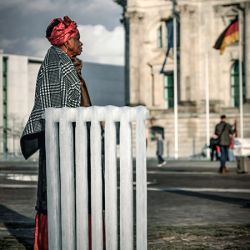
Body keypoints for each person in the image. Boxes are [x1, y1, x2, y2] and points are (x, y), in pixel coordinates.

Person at [20, 16, 88, 249]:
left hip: (67, 139)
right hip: (60, 141)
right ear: (66, 41)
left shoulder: (64, 63)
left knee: (70, 191)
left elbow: (85, 108)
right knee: (58, 192)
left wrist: (80, 79)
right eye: (77, 39)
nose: (81, 44)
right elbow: (58, 109)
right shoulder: (55, 63)